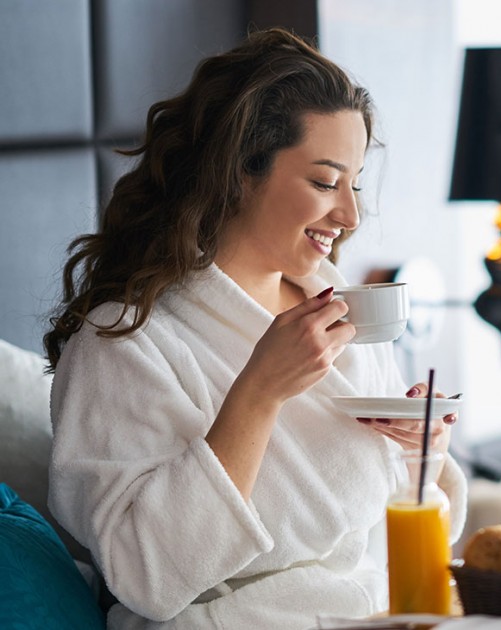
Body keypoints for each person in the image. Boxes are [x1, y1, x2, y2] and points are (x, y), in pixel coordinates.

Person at [42, 28, 467, 629]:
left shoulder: (339, 311)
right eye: (325, 182)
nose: (350, 215)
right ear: (241, 172)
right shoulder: (126, 343)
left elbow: (394, 533)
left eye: (354, 184)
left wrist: (426, 455)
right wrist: (259, 393)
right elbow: (145, 575)